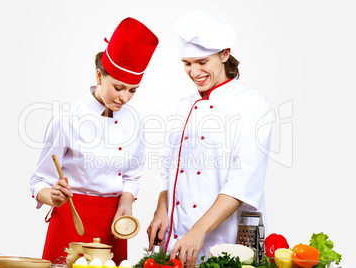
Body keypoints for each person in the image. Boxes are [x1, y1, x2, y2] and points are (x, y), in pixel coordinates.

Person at [147, 10, 272, 268]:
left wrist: (198, 231)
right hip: (176, 238)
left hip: (224, 240)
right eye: (187, 63)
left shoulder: (253, 105)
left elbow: (243, 182)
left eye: (202, 61)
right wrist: (162, 207)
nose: (194, 72)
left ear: (225, 54)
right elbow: (168, 165)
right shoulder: (183, 106)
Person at [30, 17, 158, 264]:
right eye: (118, 87)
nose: (125, 98)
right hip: (71, 218)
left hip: (114, 223)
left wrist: (126, 206)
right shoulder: (67, 120)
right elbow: (39, 181)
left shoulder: (136, 121)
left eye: (132, 90)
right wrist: (53, 196)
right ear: (99, 76)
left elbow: (132, 175)